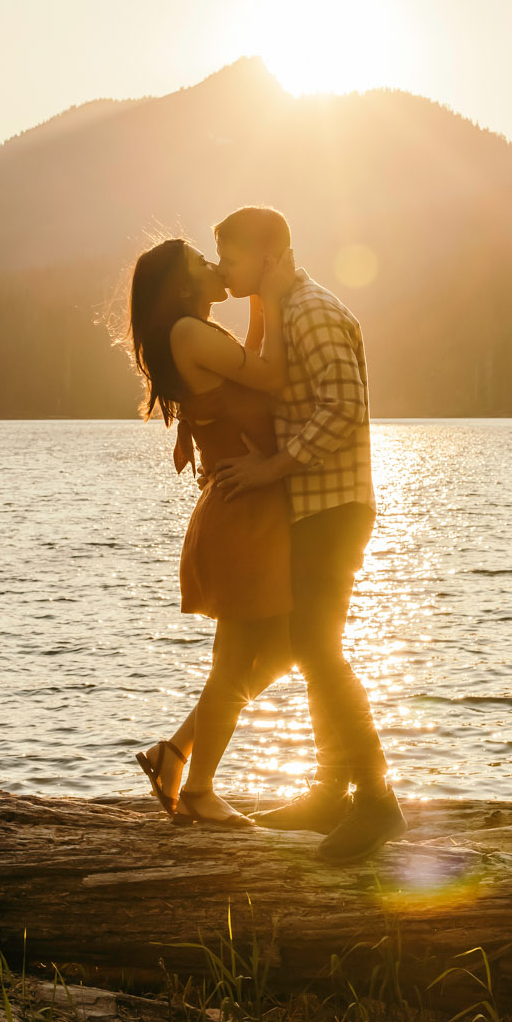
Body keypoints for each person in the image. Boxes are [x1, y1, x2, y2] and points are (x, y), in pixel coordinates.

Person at [209, 206, 405, 864]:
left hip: (334, 505)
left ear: (268, 256)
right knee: (308, 641)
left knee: (318, 647)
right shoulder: (283, 312)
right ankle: (330, 794)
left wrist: (273, 467)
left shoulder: (312, 310)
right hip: (313, 506)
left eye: (231, 258)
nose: (222, 270)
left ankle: (377, 802)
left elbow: (344, 408)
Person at [126, 237, 298, 827]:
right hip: (242, 514)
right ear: (181, 286)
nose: (215, 265)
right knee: (236, 661)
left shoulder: (194, 333)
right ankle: (198, 791)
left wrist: (255, 302)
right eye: (202, 262)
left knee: (288, 646)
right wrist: (272, 290)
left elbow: (247, 368)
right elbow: (273, 375)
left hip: (246, 508)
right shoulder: (187, 333)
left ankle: (173, 754)